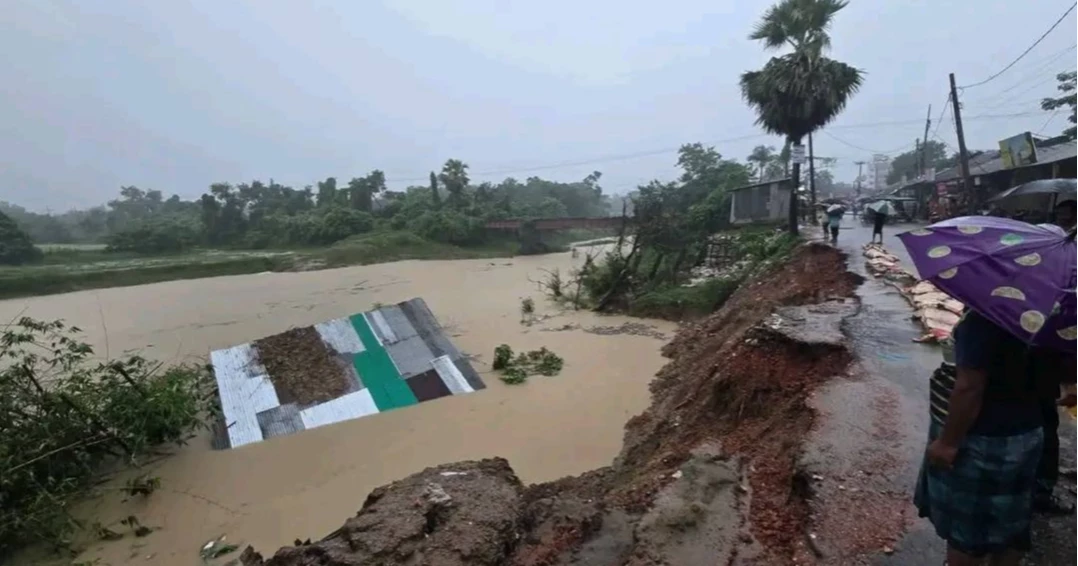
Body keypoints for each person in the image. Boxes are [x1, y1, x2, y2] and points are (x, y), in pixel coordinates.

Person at [915, 310, 1048, 566]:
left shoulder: (986, 317)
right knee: (1013, 523)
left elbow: (969, 387)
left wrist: (948, 443)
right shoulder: (1050, 316)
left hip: (982, 441)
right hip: (1028, 433)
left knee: (967, 533)